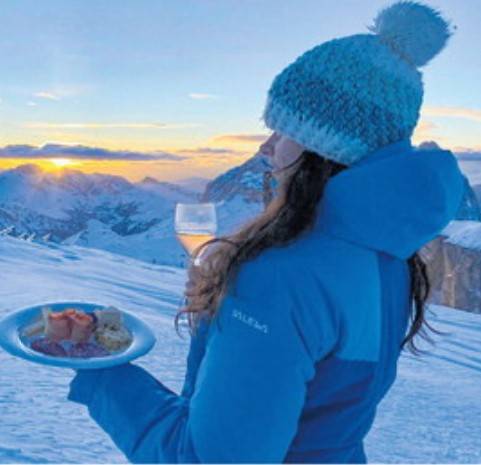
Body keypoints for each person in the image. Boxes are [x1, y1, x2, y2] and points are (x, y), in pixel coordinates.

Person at [67, 1, 466, 463]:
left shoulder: (279, 276)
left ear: (326, 145)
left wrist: (101, 371)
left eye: (282, 130)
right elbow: (325, 416)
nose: (267, 148)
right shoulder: (390, 255)